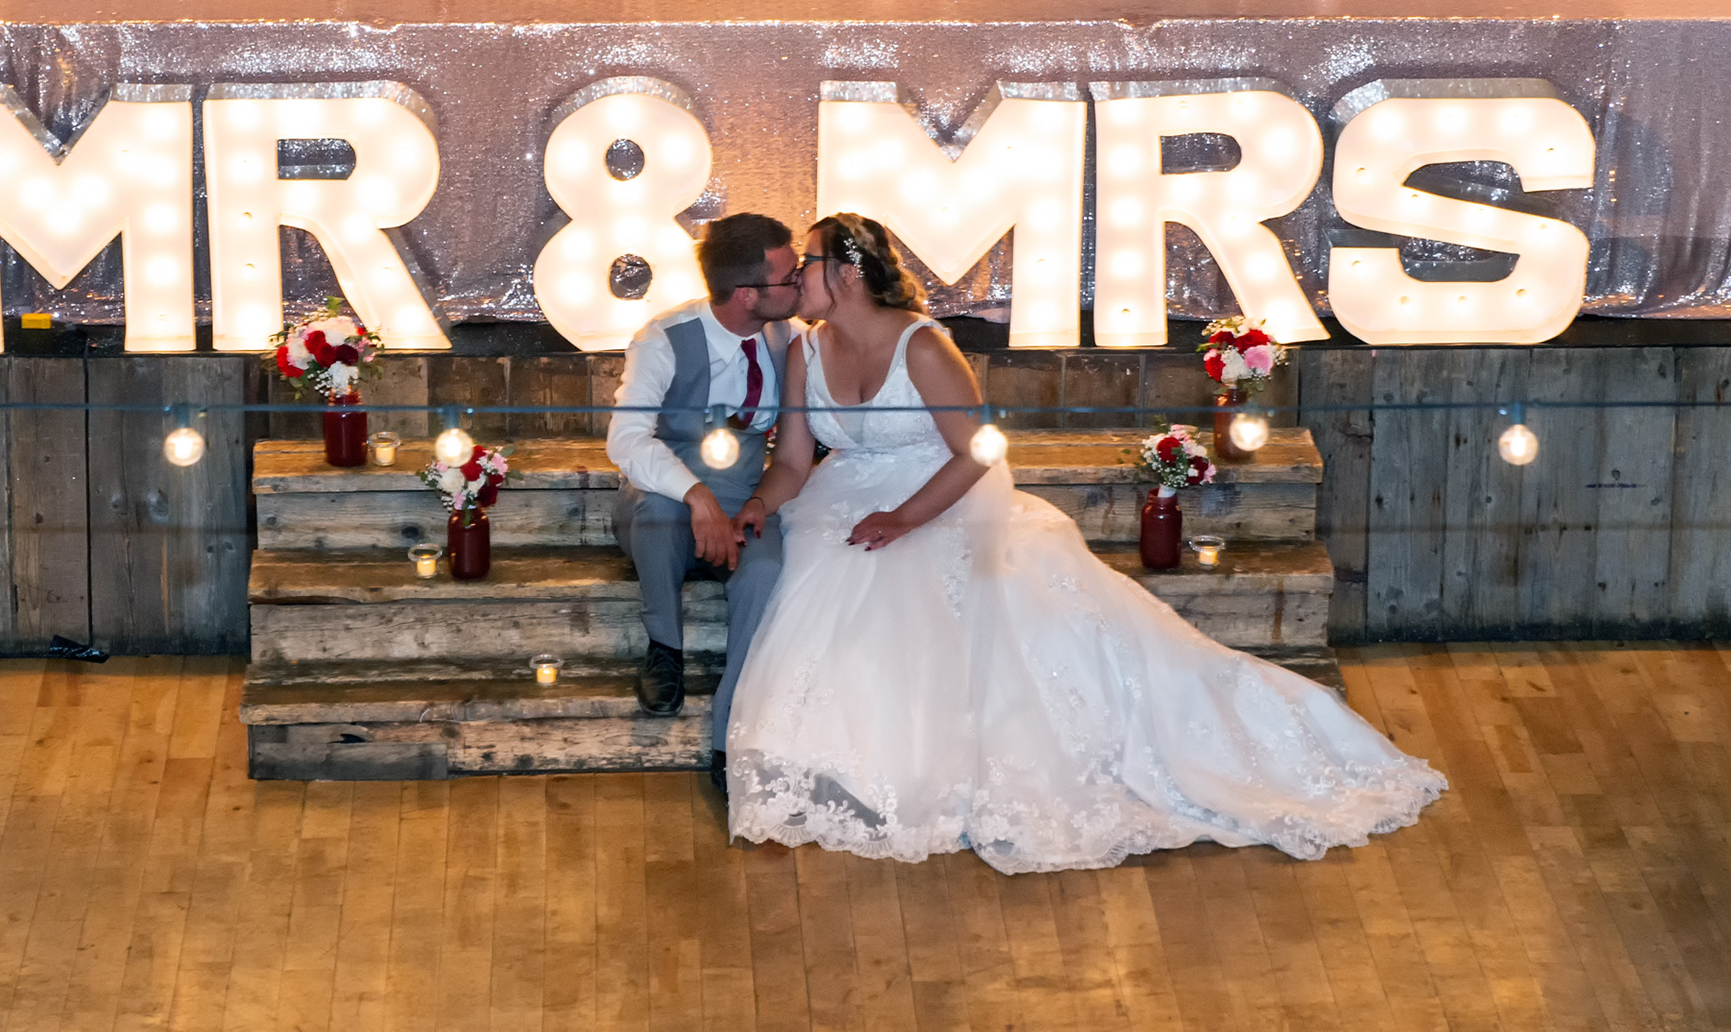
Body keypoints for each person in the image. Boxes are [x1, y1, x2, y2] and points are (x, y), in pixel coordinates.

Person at [723, 213, 1446, 873]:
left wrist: (906, 519)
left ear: (845, 274)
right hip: (843, 498)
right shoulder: (804, 354)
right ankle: (852, 766)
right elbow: (792, 462)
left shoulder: (923, 346)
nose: (792, 282)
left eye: (805, 266)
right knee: (820, 579)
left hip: (940, 494)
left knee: (924, 586)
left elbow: (974, 452)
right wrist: (758, 503)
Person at [607, 212, 802, 793]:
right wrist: (694, 495)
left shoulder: (787, 337)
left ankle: (730, 730)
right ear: (747, 294)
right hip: (665, 492)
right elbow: (626, 439)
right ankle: (665, 647)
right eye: (789, 277)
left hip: (746, 492)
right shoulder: (663, 337)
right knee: (661, 516)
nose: (800, 285)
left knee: (767, 569)